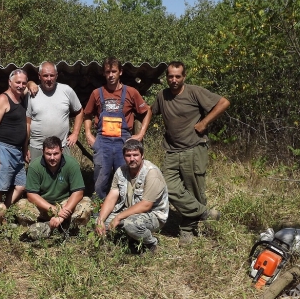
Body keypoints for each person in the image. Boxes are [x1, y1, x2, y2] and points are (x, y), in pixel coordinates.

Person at [151, 61, 230, 245]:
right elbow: (149, 111)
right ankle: (203, 213)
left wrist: (205, 123)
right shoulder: (162, 96)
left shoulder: (194, 92)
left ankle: (187, 230)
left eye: (178, 76)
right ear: (166, 78)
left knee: (194, 189)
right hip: (171, 149)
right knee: (165, 186)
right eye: (170, 76)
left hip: (194, 148)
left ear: (184, 77)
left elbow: (224, 102)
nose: (174, 80)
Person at [84, 57, 152, 199]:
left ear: (120, 72)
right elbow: (87, 115)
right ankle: (99, 212)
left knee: (125, 178)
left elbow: (147, 112)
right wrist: (89, 134)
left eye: (114, 71)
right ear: (104, 73)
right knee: (100, 179)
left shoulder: (131, 92)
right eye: (108, 71)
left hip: (124, 142)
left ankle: (124, 211)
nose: (111, 75)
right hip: (103, 142)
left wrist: (140, 134)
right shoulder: (97, 93)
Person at [95, 139, 168, 255]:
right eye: (128, 155)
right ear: (123, 156)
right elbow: (112, 196)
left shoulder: (151, 173)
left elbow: (146, 205)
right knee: (98, 221)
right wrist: (100, 220)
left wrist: (118, 217)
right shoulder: (120, 171)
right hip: (129, 210)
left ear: (142, 155)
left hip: (154, 214)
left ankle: (151, 243)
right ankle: (124, 239)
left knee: (131, 224)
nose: (132, 159)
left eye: (135, 155)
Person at [15, 136, 92, 240]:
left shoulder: (72, 164)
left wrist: (62, 214)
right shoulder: (35, 165)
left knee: (86, 204)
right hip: (44, 206)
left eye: (56, 154)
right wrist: (55, 210)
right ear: (43, 152)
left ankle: (61, 226)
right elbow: (31, 195)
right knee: (21, 207)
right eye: (48, 154)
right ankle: (52, 226)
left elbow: (78, 192)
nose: (52, 157)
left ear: (62, 151)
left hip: (65, 205)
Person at [26, 61, 84, 162]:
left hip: (61, 146)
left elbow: (79, 111)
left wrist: (75, 133)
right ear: (39, 76)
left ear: (56, 76)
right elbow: (27, 122)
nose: (49, 79)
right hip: (37, 147)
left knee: (63, 176)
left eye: (52, 75)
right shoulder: (32, 93)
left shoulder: (66, 90)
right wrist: (25, 146)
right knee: (38, 176)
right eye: (45, 75)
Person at [0, 69, 29, 207]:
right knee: (0, 187)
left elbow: (32, 86)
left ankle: (3, 209)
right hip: (4, 149)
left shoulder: (21, 98)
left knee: (21, 186)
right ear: (10, 82)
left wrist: (24, 149)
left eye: (24, 83)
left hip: (17, 151)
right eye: (17, 82)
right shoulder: (2, 99)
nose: (21, 85)